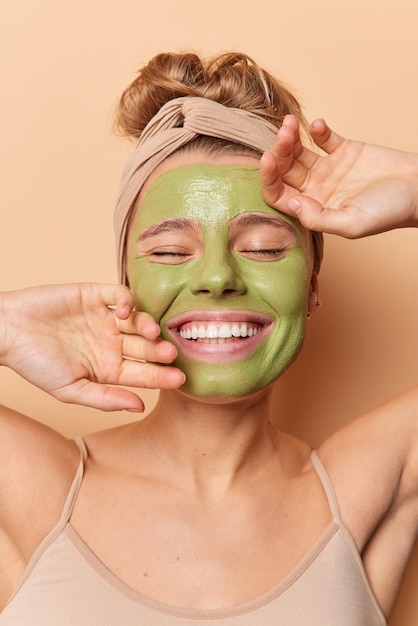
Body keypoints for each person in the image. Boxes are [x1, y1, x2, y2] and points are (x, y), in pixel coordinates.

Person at [0, 51, 417, 625]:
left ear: (312, 282)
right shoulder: (32, 485)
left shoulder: (365, 488)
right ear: (127, 284)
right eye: (170, 253)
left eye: (264, 247)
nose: (218, 277)